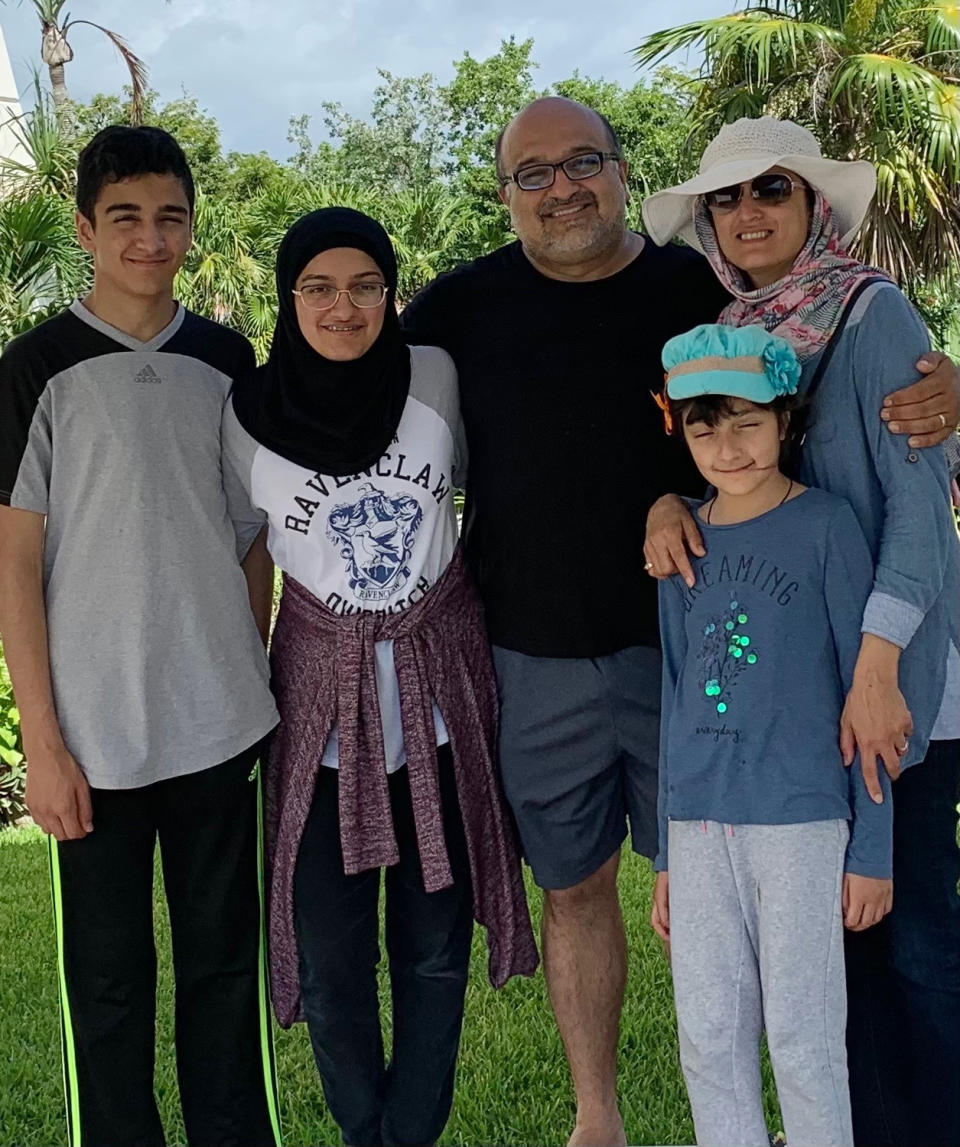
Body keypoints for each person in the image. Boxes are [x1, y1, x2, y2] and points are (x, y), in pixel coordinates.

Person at [401, 96, 960, 1146]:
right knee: (655, 914)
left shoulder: (797, 305)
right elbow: (350, 383)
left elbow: (903, 470)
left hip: (814, 667)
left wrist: (952, 390)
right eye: (533, 172)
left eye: (583, 162)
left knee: (884, 929)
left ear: (619, 171)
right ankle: (635, 1118)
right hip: (625, 669)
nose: (561, 186)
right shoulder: (684, 319)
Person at [642, 115, 960, 1147]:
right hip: (797, 705)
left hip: (895, 681)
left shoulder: (872, 318)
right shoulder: (749, 336)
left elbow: (919, 515)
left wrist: (875, 673)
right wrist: (665, 504)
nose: (746, 213)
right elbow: (721, 460)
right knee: (841, 969)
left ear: (812, 204)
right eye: (724, 198)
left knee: (911, 944)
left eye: (769, 189)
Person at [225, 207, 537, 1147]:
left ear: (391, 292)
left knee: (435, 949)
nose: (343, 306)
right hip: (320, 714)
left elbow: (499, 486)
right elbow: (246, 557)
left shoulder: (433, 376)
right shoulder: (246, 414)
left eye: (365, 284)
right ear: (290, 298)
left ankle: (410, 1134)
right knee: (330, 959)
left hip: (439, 702)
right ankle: (368, 1132)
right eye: (317, 287)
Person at [0, 126, 281, 1147]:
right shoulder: (37, 367)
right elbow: (13, 566)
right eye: (125, 218)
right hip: (96, 740)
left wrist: (248, 672)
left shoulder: (225, 359)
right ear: (85, 227)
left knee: (223, 973)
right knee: (109, 988)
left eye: (169, 219)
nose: (150, 240)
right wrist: (45, 744)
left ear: (191, 228)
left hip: (221, 726)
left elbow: (252, 540)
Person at [651, 322, 892, 1147]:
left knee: (804, 1035)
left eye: (747, 420)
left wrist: (873, 847)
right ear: (678, 428)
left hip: (800, 819)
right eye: (703, 424)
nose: (728, 444)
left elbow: (866, 703)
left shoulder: (827, 527)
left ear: (785, 418)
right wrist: (666, 852)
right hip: (702, 822)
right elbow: (675, 691)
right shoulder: (680, 538)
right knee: (709, 1035)